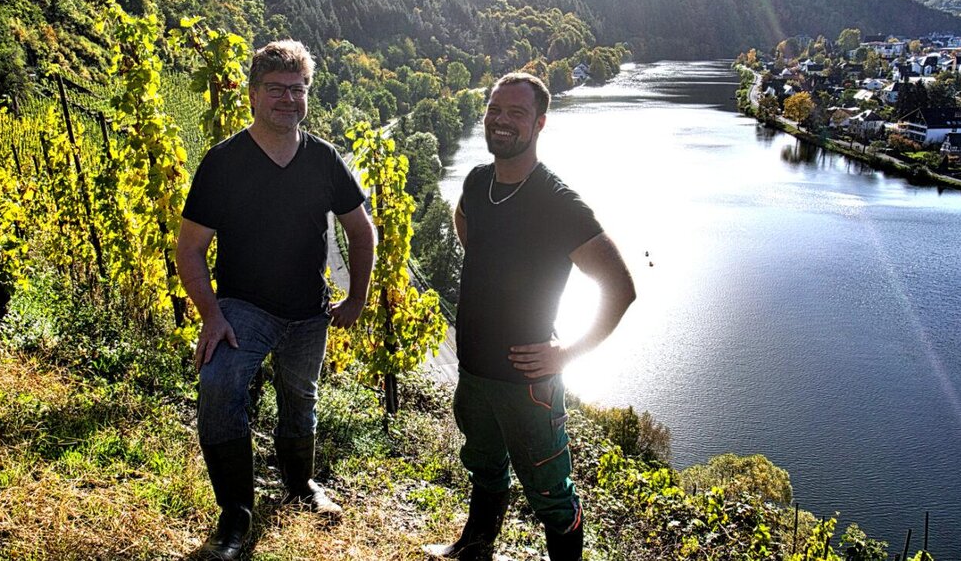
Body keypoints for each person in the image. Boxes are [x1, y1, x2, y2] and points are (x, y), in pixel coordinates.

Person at [176, 39, 375, 561]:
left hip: (310, 311)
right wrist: (212, 316)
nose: (288, 99)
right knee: (219, 385)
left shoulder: (325, 160)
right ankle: (235, 516)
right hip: (244, 307)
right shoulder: (223, 163)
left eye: (298, 89)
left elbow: (363, 230)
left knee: (301, 399)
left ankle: (300, 486)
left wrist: (356, 297)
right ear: (253, 96)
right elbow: (190, 248)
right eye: (276, 89)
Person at [424, 73, 636, 561]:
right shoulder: (478, 182)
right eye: (494, 109)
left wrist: (566, 352)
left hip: (527, 383)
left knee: (551, 493)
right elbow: (465, 224)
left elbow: (620, 289)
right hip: (474, 370)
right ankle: (474, 549)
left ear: (540, 123)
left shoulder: (557, 203)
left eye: (515, 113)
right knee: (484, 466)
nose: (500, 121)